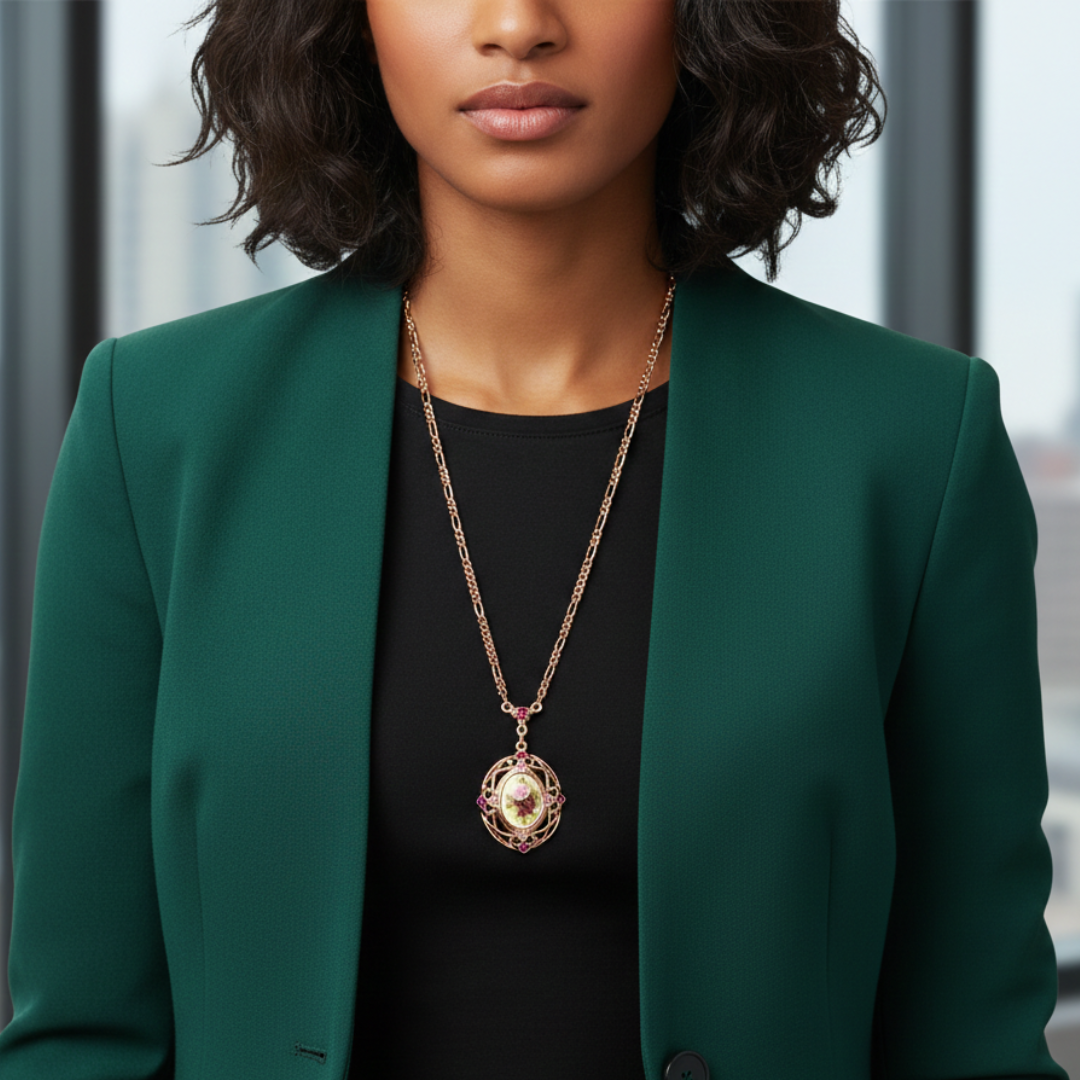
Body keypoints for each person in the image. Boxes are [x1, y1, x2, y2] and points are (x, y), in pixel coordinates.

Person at [0, 0, 1068, 1077]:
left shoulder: (914, 444)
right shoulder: (157, 426)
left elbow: (973, 1036)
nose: (518, 24)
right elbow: (80, 1035)